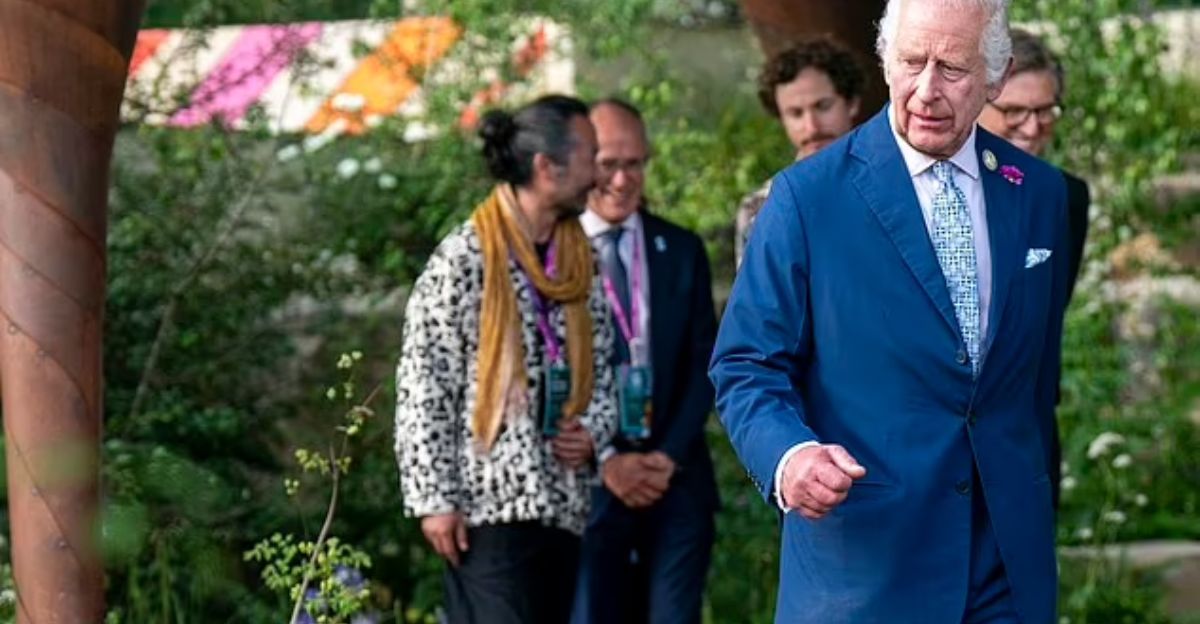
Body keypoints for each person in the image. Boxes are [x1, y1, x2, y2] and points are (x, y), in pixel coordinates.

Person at [710, 0, 1071, 622]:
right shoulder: (805, 198)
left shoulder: (1038, 191)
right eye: (911, 62)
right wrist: (790, 458)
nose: (926, 90)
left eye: (952, 68)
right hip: (865, 567)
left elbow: (1033, 377)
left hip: (1007, 570)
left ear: (997, 76)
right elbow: (746, 365)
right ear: (884, 61)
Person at [394, 94, 617, 624]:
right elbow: (424, 382)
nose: (599, 172)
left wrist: (592, 430)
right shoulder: (464, 258)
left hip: (562, 504)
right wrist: (435, 500)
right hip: (486, 508)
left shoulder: (581, 261)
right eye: (589, 156)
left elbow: (605, 371)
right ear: (546, 167)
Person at [571, 99, 719, 624]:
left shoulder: (680, 248)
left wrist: (666, 457)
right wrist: (607, 458)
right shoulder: (551, 256)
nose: (621, 180)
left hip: (675, 480)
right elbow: (541, 374)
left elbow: (707, 362)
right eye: (607, 164)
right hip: (589, 488)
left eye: (633, 163)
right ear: (582, 162)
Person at [978, 28, 1090, 507]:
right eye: (1015, 111)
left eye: (1045, 111)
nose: (1032, 126)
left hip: (1028, 429)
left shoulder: (1068, 197)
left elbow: (1049, 310)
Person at [735, 37, 865, 267]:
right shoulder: (760, 206)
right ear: (781, 119)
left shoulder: (895, 185)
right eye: (795, 113)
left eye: (823, 106)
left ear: (852, 103)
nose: (811, 127)